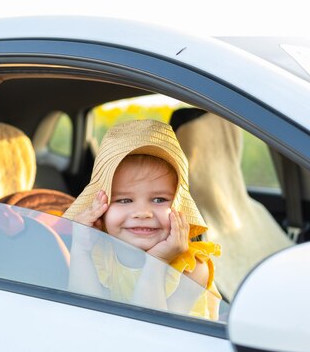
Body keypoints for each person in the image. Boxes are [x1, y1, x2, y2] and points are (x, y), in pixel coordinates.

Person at [63, 119, 221, 320]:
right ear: (101, 211)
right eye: (124, 200)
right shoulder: (101, 254)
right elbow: (86, 314)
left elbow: (154, 333)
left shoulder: (191, 267)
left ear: (179, 207)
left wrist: (156, 263)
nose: (142, 213)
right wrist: (81, 249)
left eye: (159, 199)